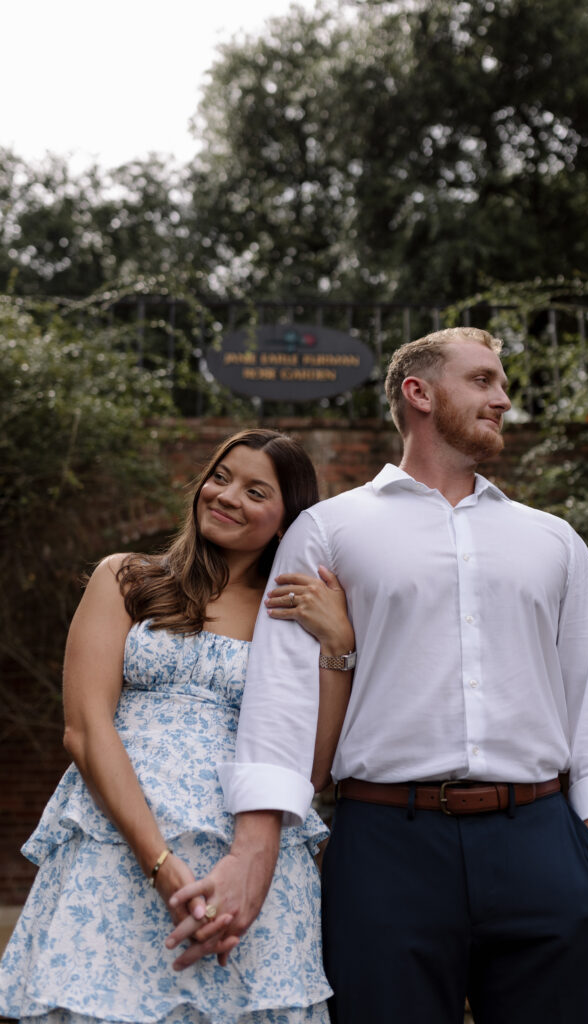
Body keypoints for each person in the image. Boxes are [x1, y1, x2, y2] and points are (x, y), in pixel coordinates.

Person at [170, 328, 588, 1024]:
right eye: (482, 380)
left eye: (501, 382)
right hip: (384, 848)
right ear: (417, 393)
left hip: (542, 844)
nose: (503, 398)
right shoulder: (327, 531)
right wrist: (254, 848)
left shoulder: (554, 541)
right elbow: (282, 697)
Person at [0, 428, 355, 1024]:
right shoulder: (129, 579)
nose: (227, 496)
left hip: (246, 865)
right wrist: (162, 866)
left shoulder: (291, 612)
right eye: (220, 477)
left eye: (255, 490)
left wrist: (339, 643)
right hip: (119, 848)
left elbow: (311, 770)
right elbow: (86, 729)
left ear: (287, 519)